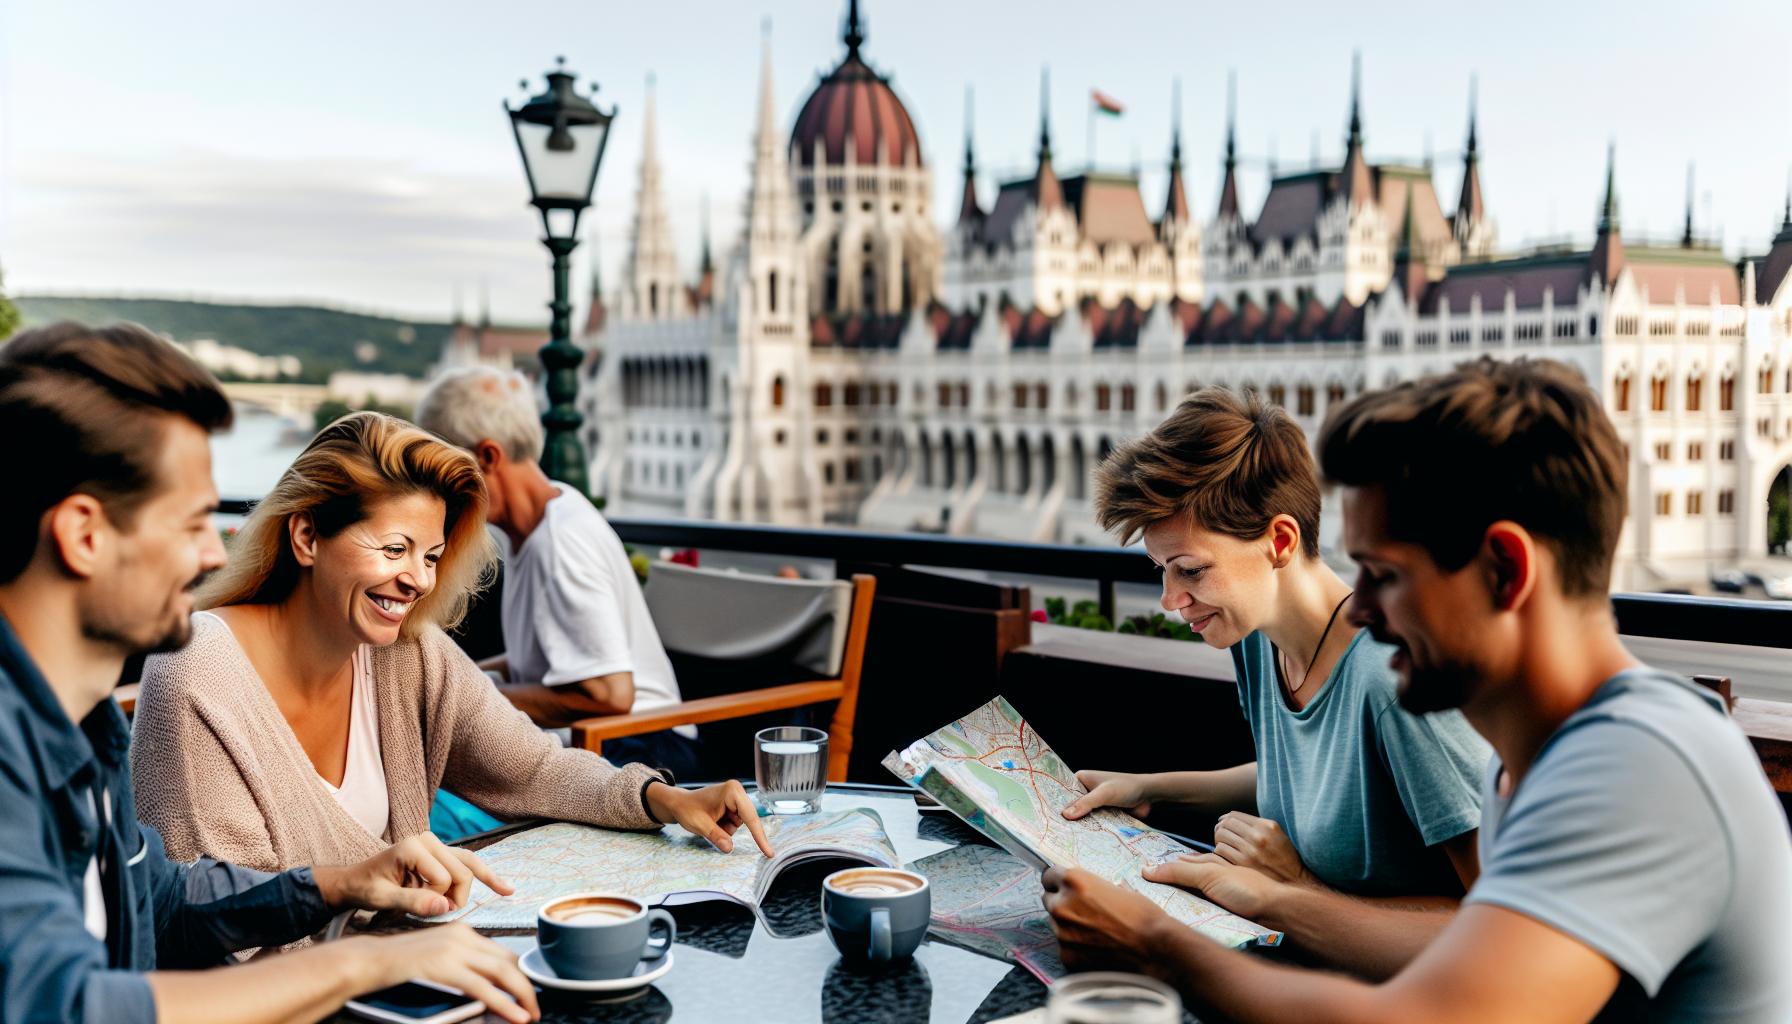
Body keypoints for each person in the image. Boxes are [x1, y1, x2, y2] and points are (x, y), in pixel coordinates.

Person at [1043, 358, 1792, 1022]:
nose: (1360, 610)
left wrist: (1159, 939)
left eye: (1386, 576)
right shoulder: (1532, 762)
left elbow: (1434, 1011)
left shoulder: (1638, 773)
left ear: (1505, 569)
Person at [0, 322, 540, 1024]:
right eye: (193, 522)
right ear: (83, 535)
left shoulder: (85, 723)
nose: (209, 555)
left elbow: (165, 902)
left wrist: (343, 883)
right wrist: (363, 962)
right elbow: (59, 1006)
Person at [131, 410, 770, 876]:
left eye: (431, 556)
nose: (417, 580)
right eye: (394, 549)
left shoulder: (408, 653)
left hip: (409, 979)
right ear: (305, 538)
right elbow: (209, 922)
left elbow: (535, 772)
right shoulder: (198, 672)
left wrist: (664, 798)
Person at [1062, 386, 1488, 977]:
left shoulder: (1395, 685)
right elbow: (1322, 777)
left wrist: (1293, 891)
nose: (1169, 600)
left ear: (1280, 542)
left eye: (1190, 570)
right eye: (1162, 571)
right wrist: (1152, 787)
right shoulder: (1256, 636)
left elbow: (1500, 932)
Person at [415, 366, 700, 781]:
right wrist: (458, 678)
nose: (434, 489)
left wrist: (465, 697)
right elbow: (551, 658)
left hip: (642, 751)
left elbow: (609, 693)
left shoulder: (561, 541)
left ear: (487, 457)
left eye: (438, 470)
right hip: (621, 743)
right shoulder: (540, 525)